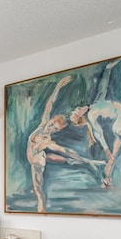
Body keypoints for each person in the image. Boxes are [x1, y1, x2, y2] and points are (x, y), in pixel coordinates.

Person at [27, 76, 105, 212]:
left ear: (57, 131)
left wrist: (85, 160)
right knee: (40, 181)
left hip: (37, 161)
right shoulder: (43, 124)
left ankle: (74, 161)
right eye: (52, 124)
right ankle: (71, 161)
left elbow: (64, 149)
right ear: (51, 120)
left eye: (54, 129)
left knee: (39, 191)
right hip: (36, 155)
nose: (50, 128)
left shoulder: (48, 141)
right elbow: (49, 103)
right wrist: (58, 86)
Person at [69, 60, 121, 195]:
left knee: (114, 158)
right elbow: (98, 133)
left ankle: (107, 181)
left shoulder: (94, 105)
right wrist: (106, 149)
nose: (77, 108)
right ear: (80, 118)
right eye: (76, 113)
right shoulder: (91, 117)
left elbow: (102, 87)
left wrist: (107, 69)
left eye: (75, 109)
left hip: (120, 126)